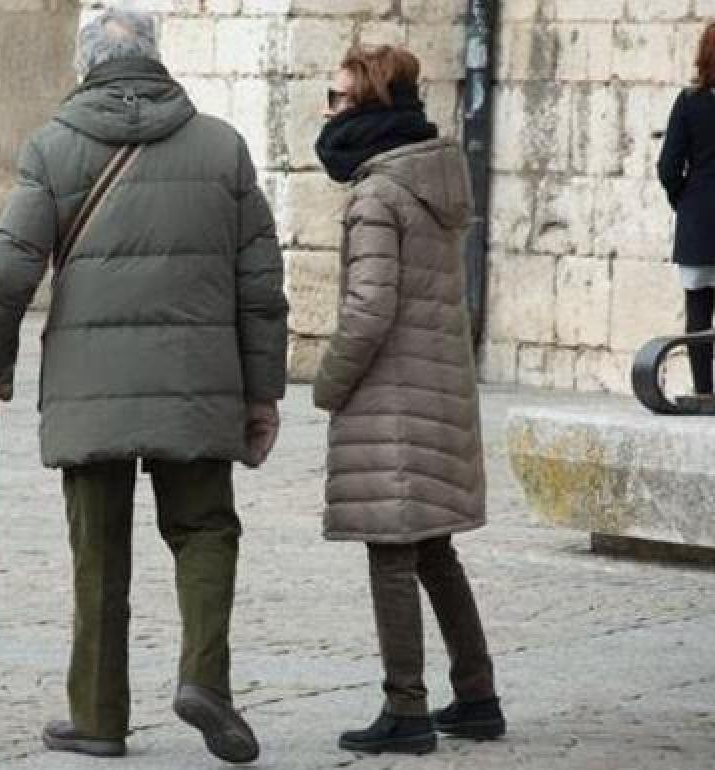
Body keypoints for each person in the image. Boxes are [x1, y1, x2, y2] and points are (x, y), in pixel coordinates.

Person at [0, 9, 288, 763]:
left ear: (85, 66)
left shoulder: (52, 148)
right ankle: (205, 679)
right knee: (206, 530)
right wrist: (262, 391)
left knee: (98, 553)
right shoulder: (222, 147)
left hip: (91, 389)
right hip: (198, 382)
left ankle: (100, 716)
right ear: (156, 59)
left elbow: (4, 270)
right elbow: (261, 285)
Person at [311, 44, 504, 755]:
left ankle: (408, 708)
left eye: (336, 98)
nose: (326, 111)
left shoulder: (377, 192)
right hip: (438, 388)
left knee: (394, 551)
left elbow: (368, 311)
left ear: (367, 104)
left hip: (392, 399)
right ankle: (477, 693)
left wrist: (329, 385)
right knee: (433, 550)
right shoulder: (436, 172)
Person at [658, 21, 715, 398]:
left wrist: (686, 201)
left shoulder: (689, 102)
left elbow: (668, 167)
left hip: (699, 221)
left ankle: (704, 393)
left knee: (698, 312)